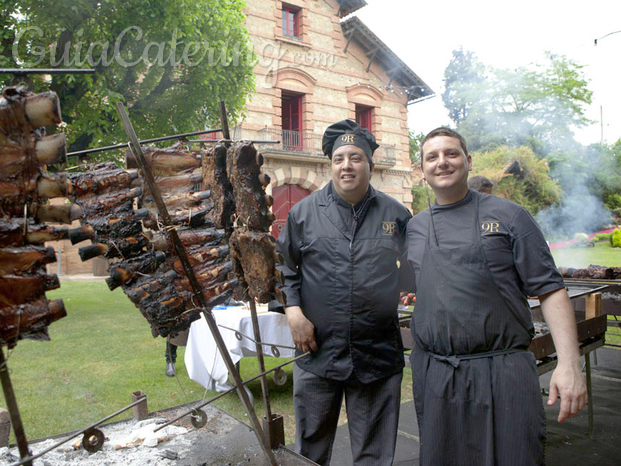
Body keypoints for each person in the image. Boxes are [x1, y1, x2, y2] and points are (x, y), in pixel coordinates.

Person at [406, 127, 587, 465]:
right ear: (421, 171)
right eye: (432, 157)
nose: (442, 162)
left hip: (503, 370)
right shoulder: (414, 228)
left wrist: (570, 364)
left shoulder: (510, 216)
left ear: (468, 161)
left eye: (451, 153)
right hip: (437, 375)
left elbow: (550, 289)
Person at [276, 119, 411, 465]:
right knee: (310, 449)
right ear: (329, 165)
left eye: (355, 158)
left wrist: (412, 291)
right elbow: (284, 267)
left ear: (370, 164)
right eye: (339, 159)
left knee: (374, 453)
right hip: (318, 350)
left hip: (376, 354)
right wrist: (293, 311)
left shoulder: (396, 215)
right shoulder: (303, 213)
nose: (346, 165)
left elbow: (414, 270)